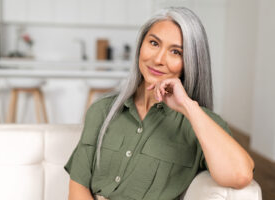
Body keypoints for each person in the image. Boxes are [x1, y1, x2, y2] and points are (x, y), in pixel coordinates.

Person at [64, 7, 255, 200]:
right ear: (141, 45)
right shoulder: (102, 109)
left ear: (191, 61)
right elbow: (78, 185)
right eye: (154, 43)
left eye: (175, 52)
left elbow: (240, 176)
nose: (158, 59)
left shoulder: (201, 124)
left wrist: (187, 107)